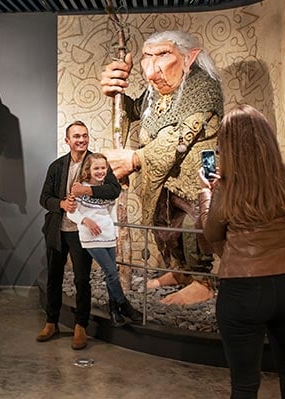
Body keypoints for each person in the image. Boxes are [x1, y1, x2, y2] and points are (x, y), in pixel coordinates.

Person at [99, 30, 224, 305]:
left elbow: (180, 135)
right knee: (165, 222)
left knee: (194, 223)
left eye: (163, 55)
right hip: (166, 174)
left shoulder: (202, 86)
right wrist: (117, 94)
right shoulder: (156, 93)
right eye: (147, 57)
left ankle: (202, 281)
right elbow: (136, 113)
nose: (152, 69)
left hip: (201, 168)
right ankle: (180, 273)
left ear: (189, 57)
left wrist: (134, 159)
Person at [198, 105, 285, 399]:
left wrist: (206, 194)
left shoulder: (227, 187)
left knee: (245, 385)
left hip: (242, 289)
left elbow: (211, 234)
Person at [36, 121, 122, 350]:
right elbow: (43, 198)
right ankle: (51, 322)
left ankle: (80, 326)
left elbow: (114, 189)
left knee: (82, 279)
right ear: (67, 140)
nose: (81, 139)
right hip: (57, 230)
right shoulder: (56, 166)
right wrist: (62, 203)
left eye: (84, 135)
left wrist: (88, 190)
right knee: (54, 277)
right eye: (76, 136)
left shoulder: (97, 162)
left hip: (82, 233)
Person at [66, 153, 143, 327]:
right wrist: (85, 220)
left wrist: (115, 235)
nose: (100, 171)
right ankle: (125, 305)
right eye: (96, 168)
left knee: (111, 275)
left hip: (108, 236)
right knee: (111, 273)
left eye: (103, 168)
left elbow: (111, 212)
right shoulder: (80, 188)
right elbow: (71, 212)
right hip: (91, 238)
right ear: (89, 170)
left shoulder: (107, 189)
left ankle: (115, 310)